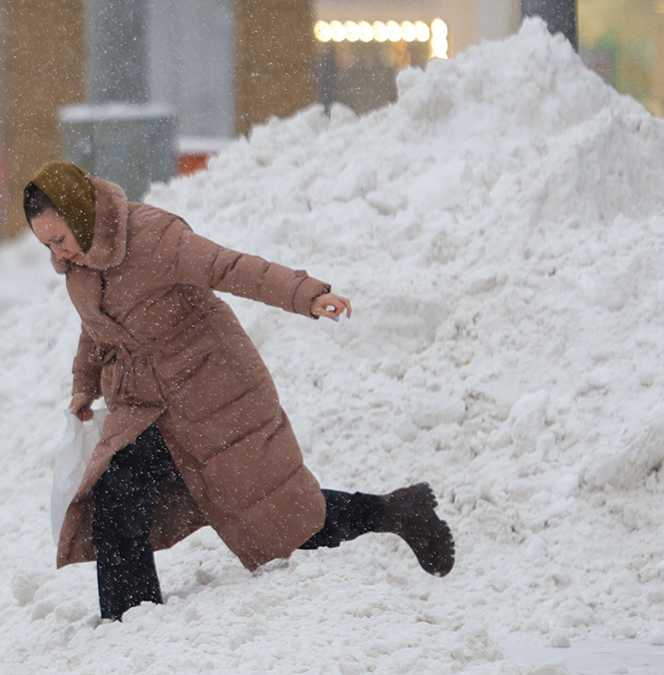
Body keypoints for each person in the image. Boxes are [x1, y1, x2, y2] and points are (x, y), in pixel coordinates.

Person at [26, 161, 455, 622]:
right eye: (46, 244)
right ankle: (129, 623)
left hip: (214, 390)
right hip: (145, 405)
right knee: (115, 496)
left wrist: (306, 295)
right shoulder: (80, 265)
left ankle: (396, 510)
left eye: (59, 238)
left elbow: (231, 268)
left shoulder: (153, 237)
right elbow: (97, 327)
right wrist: (83, 385)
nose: (58, 253)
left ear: (80, 215)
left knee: (283, 519)